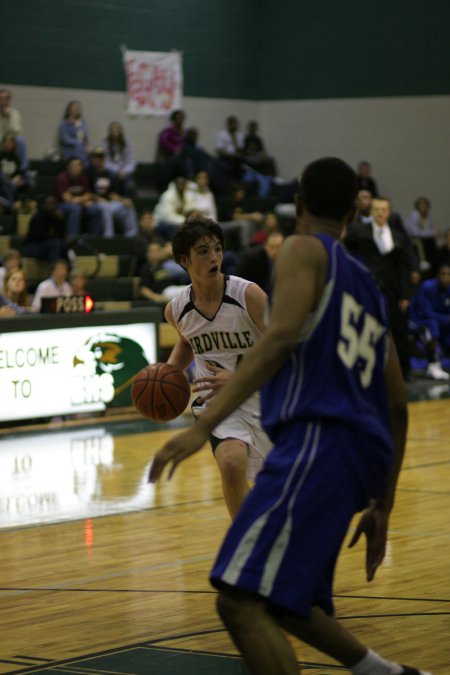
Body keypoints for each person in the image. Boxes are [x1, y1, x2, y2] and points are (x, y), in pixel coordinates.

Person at [150, 158, 430, 675]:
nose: (213, 256)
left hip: (318, 439)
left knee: (239, 597)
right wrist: (384, 504)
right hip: (362, 455)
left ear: (298, 206)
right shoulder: (368, 285)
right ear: (354, 211)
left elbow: (278, 340)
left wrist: (201, 429)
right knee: (292, 601)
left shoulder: (300, 250)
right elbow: (397, 403)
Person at [156, 214, 272, 519]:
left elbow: (282, 348)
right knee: (232, 464)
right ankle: (245, 543)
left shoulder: (248, 295)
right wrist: (169, 373)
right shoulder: (176, 309)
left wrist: (238, 378)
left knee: (289, 489)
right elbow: (187, 342)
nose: (214, 257)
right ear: (184, 260)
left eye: (217, 249)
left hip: (267, 396)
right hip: (218, 403)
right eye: (204, 251)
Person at [344, 197, 416, 380]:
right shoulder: (360, 233)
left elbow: (405, 267)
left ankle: (403, 373)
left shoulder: (398, 237)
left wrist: (406, 295)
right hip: (369, 291)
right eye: (376, 209)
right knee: (368, 331)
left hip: (394, 293)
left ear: (389, 212)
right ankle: (368, 372)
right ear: (372, 212)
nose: (380, 213)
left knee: (399, 333)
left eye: (384, 209)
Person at [409, 263, 450, 380]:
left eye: (448, 275)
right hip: (418, 320)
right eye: (443, 274)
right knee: (432, 326)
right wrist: (446, 319)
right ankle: (433, 363)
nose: (446, 277)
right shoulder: (427, 287)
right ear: (437, 275)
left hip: (439, 320)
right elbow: (426, 313)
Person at [87, 146, 138, 238]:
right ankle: (109, 238)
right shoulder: (88, 172)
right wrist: (98, 199)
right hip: (95, 203)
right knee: (106, 209)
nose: (99, 160)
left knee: (128, 206)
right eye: (97, 157)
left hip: (108, 203)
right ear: (93, 159)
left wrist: (122, 200)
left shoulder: (108, 174)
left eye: (101, 157)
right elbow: (87, 192)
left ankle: (131, 236)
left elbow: (111, 194)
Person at [54, 158, 103, 237]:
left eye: (79, 165)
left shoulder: (83, 177)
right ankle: (72, 237)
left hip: (80, 204)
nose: (78, 168)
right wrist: (82, 201)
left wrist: (80, 201)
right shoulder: (62, 178)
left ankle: (93, 238)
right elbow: (66, 199)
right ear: (69, 167)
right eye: (75, 166)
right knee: (75, 208)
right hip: (61, 205)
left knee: (97, 209)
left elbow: (88, 194)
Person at [21, 195, 67, 265]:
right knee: (55, 244)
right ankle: (53, 271)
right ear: (44, 205)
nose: (50, 206)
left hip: (48, 246)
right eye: (48, 203)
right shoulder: (38, 217)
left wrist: (60, 221)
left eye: (53, 203)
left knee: (63, 244)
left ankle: (67, 269)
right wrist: (54, 237)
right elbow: (38, 236)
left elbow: (62, 235)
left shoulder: (57, 217)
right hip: (32, 247)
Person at [237, 229, 285, 294]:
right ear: (265, 245)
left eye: (278, 247)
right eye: (271, 247)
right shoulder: (253, 259)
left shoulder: (287, 260)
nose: (275, 251)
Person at [102, 121, 136, 196]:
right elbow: (106, 162)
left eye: (117, 129)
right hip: (112, 169)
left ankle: (128, 194)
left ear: (120, 131)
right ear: (110, 131)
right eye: (113, 129)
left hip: (124, 170)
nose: (115, 131)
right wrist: (118, 170)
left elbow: (131, 160)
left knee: (129, 178)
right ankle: (116, 196)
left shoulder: (126, 143)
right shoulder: (106, 143)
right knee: (113, 176)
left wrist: (124, 171)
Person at [58, 100, 90, 165]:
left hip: (82, 150)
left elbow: (85, 138)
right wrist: (78, 142)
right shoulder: (64, 124)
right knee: (78, 147)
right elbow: (66, 140)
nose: (75, 109)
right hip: (70, 151)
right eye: (73, 108)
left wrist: (77, 126)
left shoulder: (82, 123)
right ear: (69, 110)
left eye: (77, 108)